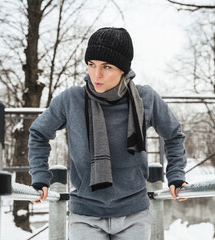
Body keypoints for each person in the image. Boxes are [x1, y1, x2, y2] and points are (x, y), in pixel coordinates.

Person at [28, 27, 188, 239]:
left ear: (123, 68)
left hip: (135, 214)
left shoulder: (145, 98)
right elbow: (38, 133)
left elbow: (174, 135)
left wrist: (176, 174)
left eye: (107, 66)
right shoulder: (71, 100)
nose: (96, 74)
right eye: (91, 65)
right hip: (85, 214)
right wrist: (40, 175)